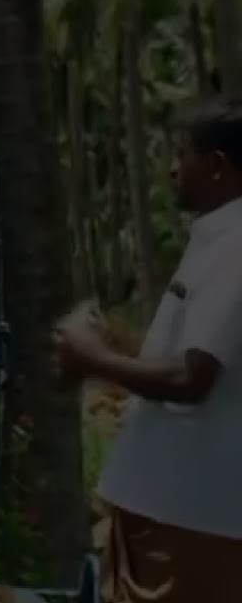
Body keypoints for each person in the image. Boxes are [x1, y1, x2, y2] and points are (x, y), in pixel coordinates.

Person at [54, 96, 242, 603]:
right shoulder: (217, 239)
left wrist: (91, 357)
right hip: (170, 507)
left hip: (189, 515)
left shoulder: (234, 246)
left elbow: (192, 379)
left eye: (181, 154)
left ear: (219, 167)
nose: (172, 168)